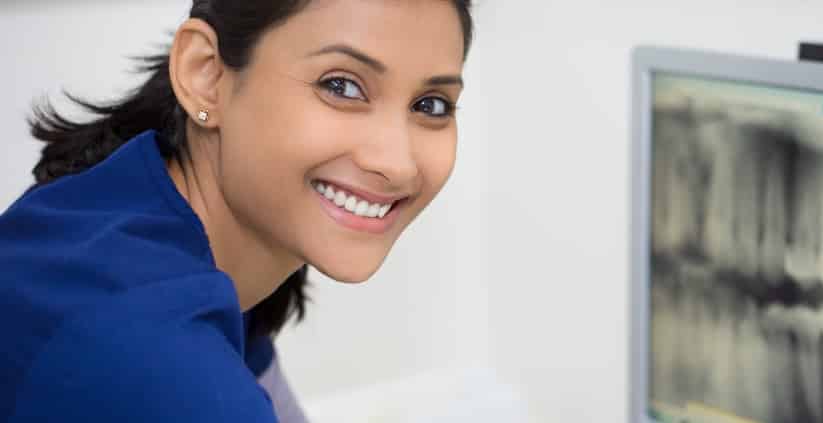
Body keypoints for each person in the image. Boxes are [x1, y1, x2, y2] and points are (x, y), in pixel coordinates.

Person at [0, 0, 473, 421]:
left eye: (431, 105)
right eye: (342, 86)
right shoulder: (152, 351)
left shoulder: (146, 219)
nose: (396, 163)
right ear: (204, 74)